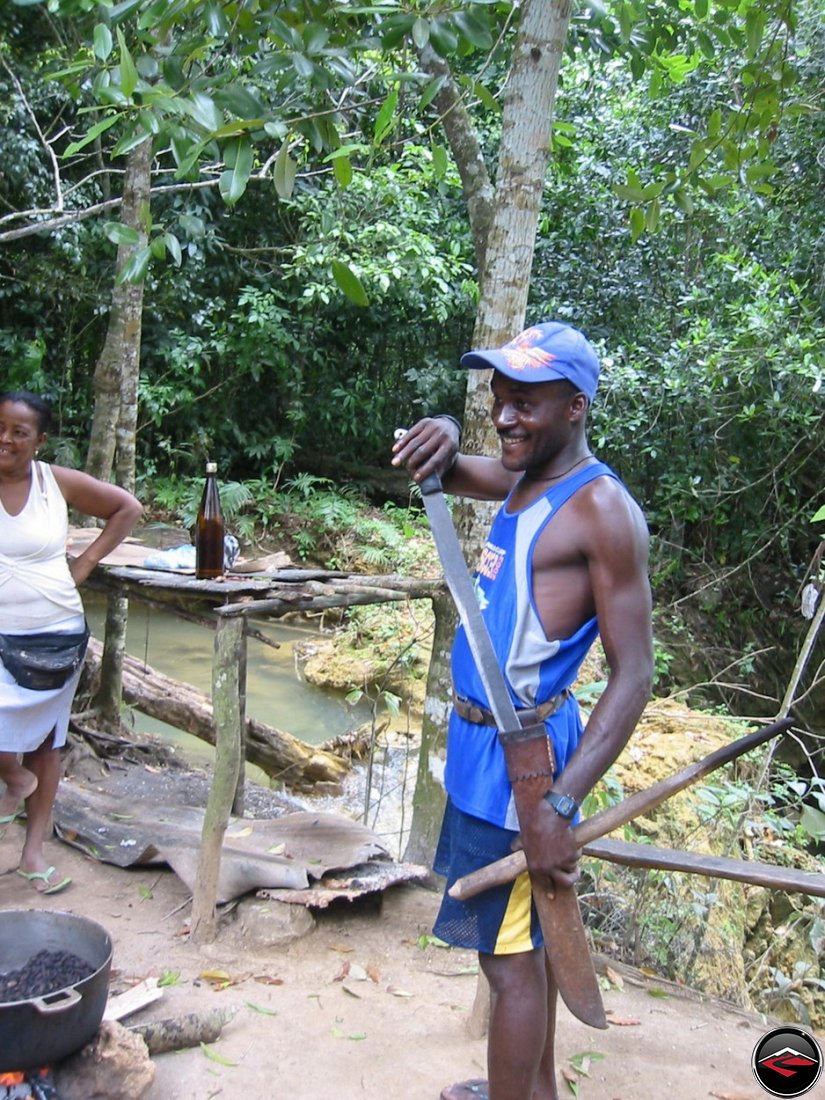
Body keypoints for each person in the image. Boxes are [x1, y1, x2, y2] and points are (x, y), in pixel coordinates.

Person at [391, 322, 653, 1100]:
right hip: (481, 748)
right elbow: (459, 466)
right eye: (498, 400)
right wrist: (437, 434)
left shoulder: (601, 511)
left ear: (575, 407)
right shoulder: (522, 477)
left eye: (525, 404)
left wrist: (557, 804)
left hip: (525, 765)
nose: (504, 418)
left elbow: (632, 674)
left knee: (506, 966)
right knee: (522, 945)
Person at [0, 391, 142, 894]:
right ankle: (13, 781)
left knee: (46, 744)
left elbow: (127, 508)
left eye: (19, 432)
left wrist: (83, 564)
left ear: (39, 441)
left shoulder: (53, 482)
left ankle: (32, 853)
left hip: (53, 632)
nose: (5, 439)